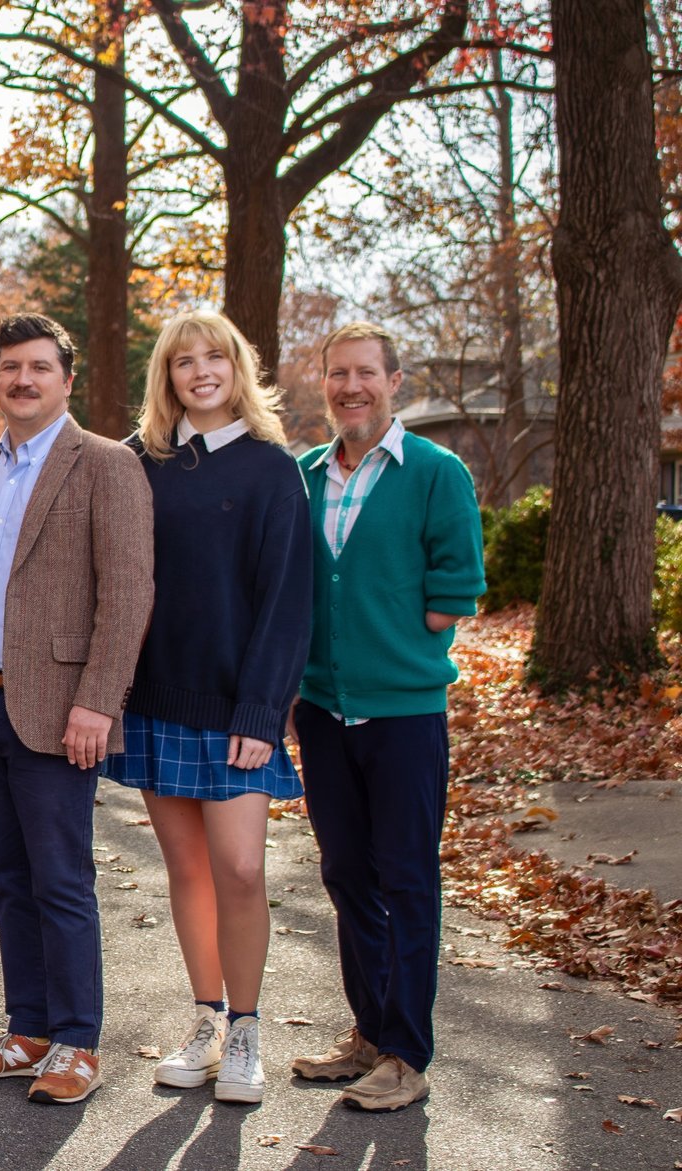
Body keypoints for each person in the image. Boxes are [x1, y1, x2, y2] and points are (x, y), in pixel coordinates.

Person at [0, 313, 153, 1105]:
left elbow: (127, 594)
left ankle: (78, 1042)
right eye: (9, 367)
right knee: (6, 875)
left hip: (62, 712)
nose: (22, 380)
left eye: (38, 367)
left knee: (61, 878)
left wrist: (98, 701)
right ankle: (27, 1029)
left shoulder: (105, 465)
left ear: (65, 377)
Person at [108, 310, 312, 1105]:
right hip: (158, 700)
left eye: (215, 357)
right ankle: (205, 1020)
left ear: (238, 367)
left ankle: (249, 1031)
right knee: (187, 868)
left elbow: (286, 603)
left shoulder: (270, 469)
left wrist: (261, 712)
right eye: (183, 360)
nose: (200, 371)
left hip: (236, 711)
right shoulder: (139, 462)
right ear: (167, 376)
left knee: (242, 866)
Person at [288, 322, 485, 1112]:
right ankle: (369, 1030)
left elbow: (457, 588)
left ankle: (407, 1049)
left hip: (404, 712)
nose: (350, 387)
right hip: (324, 712)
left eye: (366, 373)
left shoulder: (435, 471)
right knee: (346, 872)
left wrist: (396, 638)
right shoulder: (305, 474)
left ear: (394, 381)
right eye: (338, 374)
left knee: (405, 876)